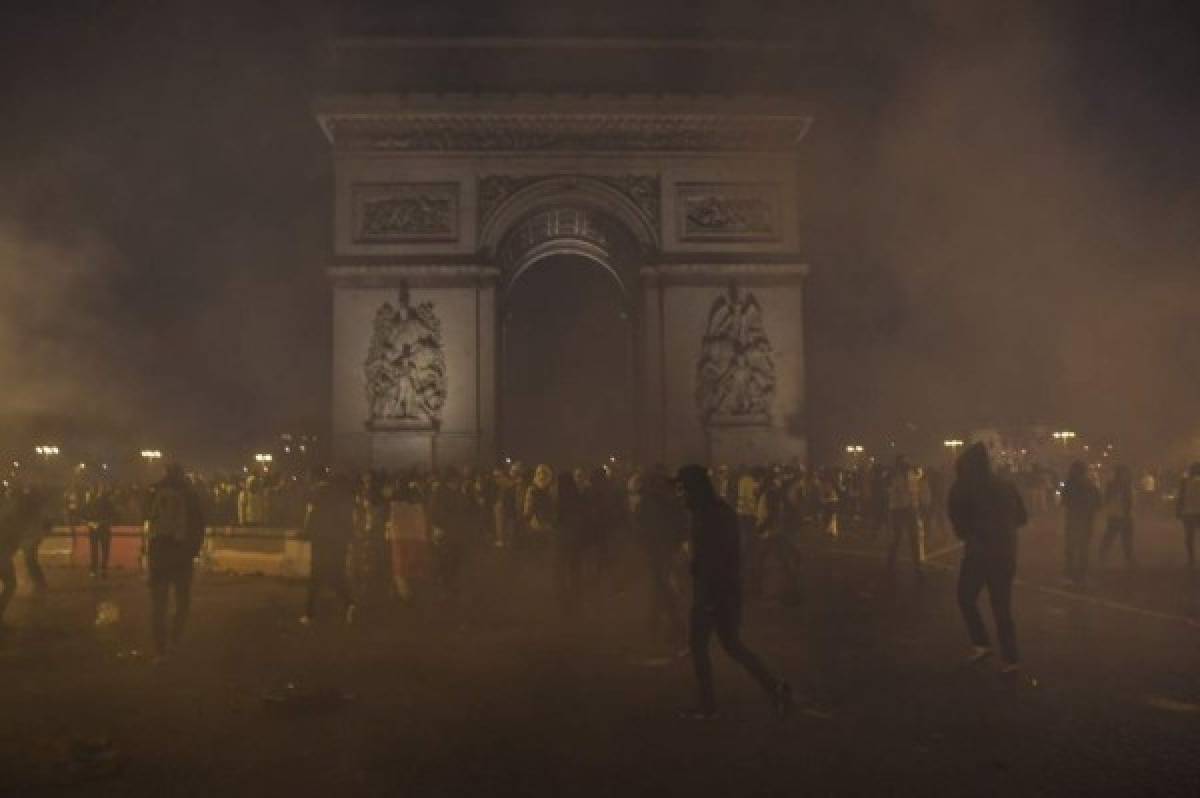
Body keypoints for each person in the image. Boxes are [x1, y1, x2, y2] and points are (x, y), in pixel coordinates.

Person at [674, 464, 792, 720]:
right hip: (725, 590)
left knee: (699, 646)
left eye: (683, 489)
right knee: (732, 645)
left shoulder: (707, 516)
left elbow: (713, 559)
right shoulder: (718, 511)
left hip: (713, 591)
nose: (680, 494)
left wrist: (707, 598)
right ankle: (774, 687)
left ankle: (708, 705)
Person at [948, 443, 1027, 673]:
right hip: (1006, 551)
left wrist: (974, 533)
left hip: (979, 553)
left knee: (966, 597)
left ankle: (981, 643)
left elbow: (959, 525)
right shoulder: (1006, 485)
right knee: (1002, 606)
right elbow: (1022, 517)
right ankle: (1011, 659)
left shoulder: (962, 487)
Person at [144, 463, 206, 662]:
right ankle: (175, 639)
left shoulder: (153, 492)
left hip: (159, 554)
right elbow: (199, 525)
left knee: (159, 605)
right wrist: (193, 551)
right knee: (182, 601)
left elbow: (147, 522)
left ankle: (160, 649)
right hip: (181, 555)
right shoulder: (190, 494)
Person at [636, 470, 687, 646]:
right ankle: (664, 624)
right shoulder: (670, 503)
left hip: (658, 551)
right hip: (665, 550)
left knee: (662, 587)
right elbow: (681, 526)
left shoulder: (649, 503)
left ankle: (665, 625)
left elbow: (639, 526)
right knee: (663, 587)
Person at [300, 468, 356, 625]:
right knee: (336, 573)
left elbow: (310, 515)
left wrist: (306, 533)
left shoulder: (315, 493)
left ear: (314, 478)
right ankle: (349, 603)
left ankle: (309, 614)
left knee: (316, 576)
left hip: (321, 540)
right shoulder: (340, 493)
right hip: (338, 540)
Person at [1061, 461, 1101, 588]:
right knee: (1081, 548)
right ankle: (1080, 575)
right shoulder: (1089, 485)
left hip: (1076, 518)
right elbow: (1098, 503)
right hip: (1085, 519)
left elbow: (1064, 501)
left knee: (1073, 548)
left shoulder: (1071, 484)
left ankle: (1072, 574)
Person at [886, 456, 927, 580]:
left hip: (906, 509)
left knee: (910, 538)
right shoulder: (896, 476)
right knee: (899, 538)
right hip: (901, 509)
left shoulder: (907, 474)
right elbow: (898, 491)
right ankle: (892, 563)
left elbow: (917, 482)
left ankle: (915, 565)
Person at [1100, 465, 1136, 570]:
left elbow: (1128, 501)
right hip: (1118, 515)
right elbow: (1109, 499)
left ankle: (1129, 559)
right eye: (1124, 473)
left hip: (1120, 515)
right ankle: (1103, 556)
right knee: (1113, 537)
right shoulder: (1116, 485)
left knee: (1124, 539)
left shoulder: (1120, 485)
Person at [85, 485, 118, 578]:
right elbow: (113, 515)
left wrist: (90, 523)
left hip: (95, 528)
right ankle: (103, 569)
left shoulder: (91, 502)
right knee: (104, 550)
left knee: (94, 550)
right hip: (104, 528)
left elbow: (84, 514)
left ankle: (94, 570)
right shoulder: (108, 502)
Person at [1176, 463, 1200, 571]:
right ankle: (1191, 558)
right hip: (1195, 512)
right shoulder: (1184, 481)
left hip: (1188, 512)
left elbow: (1180, 497)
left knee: (1189, 536)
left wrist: (1178, 511)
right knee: (1189, 536)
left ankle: (1191, 558)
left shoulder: (1184, 482)